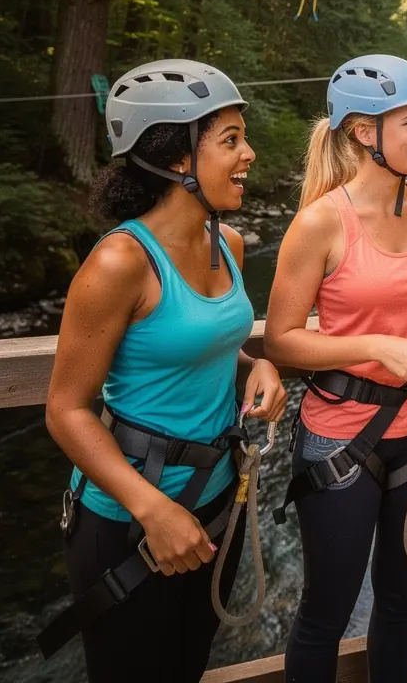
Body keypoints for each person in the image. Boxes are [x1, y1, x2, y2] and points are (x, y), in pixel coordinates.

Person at [41, 59, 287, 683]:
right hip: (128, 522)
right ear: (178, 157)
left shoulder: (224, 245)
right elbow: (67, 410)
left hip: (212, 504)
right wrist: (153, 510)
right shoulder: (120, 262)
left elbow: (200, 343)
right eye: (230, 140)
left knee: (186, 667)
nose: (249, 154)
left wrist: (253, 367)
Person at [264, 54, 407, 683]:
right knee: (326, 613)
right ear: (364, 132)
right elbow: (280, 341)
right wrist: (376, 347)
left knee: (400, 598)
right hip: (340, 437)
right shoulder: (319, 222)